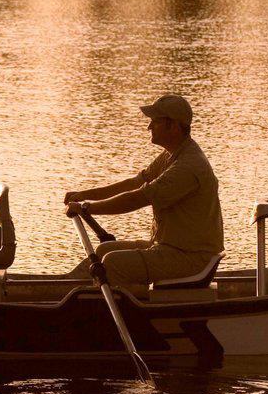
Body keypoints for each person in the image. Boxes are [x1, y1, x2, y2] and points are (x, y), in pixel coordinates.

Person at [63, 94, 223, 289]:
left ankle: (127, 313)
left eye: (155, 122)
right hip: (170, 248)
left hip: (190, 258)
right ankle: (80, 295)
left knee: (113, 263)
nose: (149, 127)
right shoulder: (172, 154)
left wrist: (87, 208)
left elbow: (136, 199)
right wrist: (84, 195)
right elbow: (133, 183)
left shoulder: (188, 166)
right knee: (104, 250)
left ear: (172, 126)